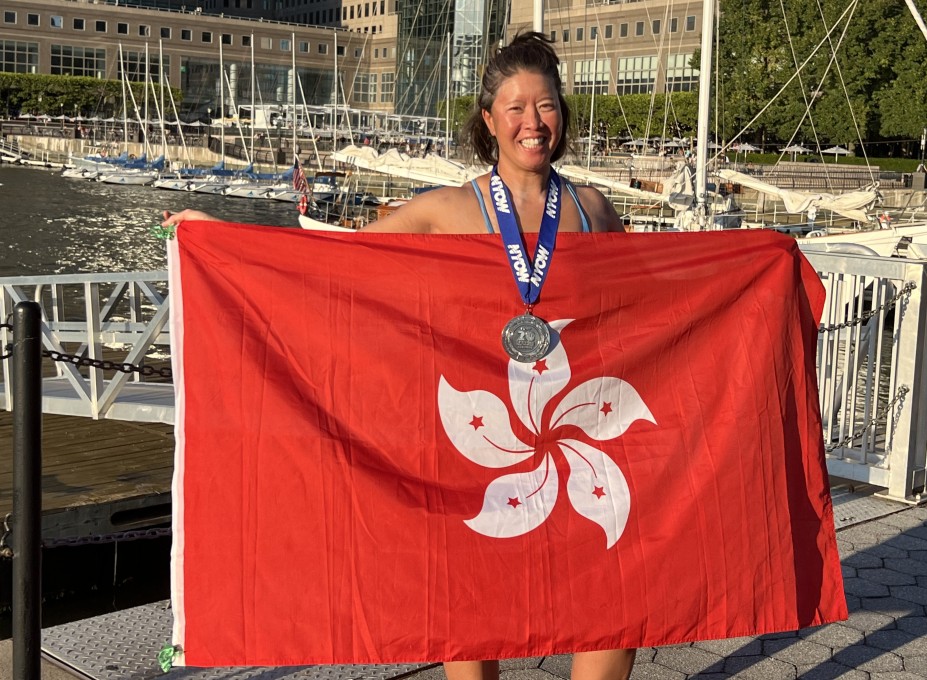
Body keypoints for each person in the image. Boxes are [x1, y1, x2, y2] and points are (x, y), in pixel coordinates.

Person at [162, 31, 633, 680]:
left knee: (615, 595)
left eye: (546, 105)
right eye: (516, 107)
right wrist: (221, 238)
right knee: (469, 603)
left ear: (563, 116)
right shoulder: (447, 210)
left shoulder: (593, 211)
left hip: (576, 428)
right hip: (477, 430)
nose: (533, 122)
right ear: (489, 119)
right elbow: (337, 260)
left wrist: (755, 267)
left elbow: (646, 305)